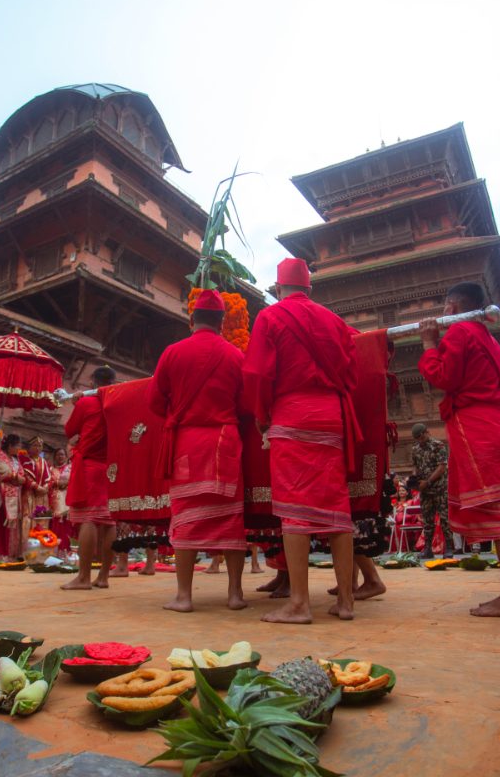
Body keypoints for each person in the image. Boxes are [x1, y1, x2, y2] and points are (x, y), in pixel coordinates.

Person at [242, 257, 359, 624]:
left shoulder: (271, 316)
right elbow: (352, 364)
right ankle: (346, 602)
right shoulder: (333, 320)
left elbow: (257, 372)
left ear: (279, 288)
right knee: (337, 508)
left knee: (293, 508)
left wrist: (261, 414)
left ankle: (299, 604)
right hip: (330, 417)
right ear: (309, 288)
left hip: (292, 413)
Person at [418, 282, 500, 617]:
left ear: (451, 307)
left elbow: (444, 377)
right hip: (496, 424)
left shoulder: (460, 331)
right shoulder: (490, 341)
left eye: (444, 306)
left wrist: (429, 343)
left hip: (475, 425)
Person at [147, 289, 248, 613]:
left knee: (186, 517)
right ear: (222, 322)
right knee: (231, 518)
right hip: (224, 442)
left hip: (187, 443)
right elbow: (246, 404)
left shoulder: (173, 353)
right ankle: (235, 594)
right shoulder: (235, 355)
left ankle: (184, 596)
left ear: (192, 320)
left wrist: (178, 413)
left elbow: (154, 402)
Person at [62, 366, 117, 590]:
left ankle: (84, 577)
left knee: (88, 518)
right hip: (111, 468)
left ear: (93, 382)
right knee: (109, 521)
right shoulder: (118, 404)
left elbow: (69, 430)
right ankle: (103, 577)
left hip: (90, 466)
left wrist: (77, 404)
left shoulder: (87, 402)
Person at [410, 423, 453, 558]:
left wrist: (428, 482)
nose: (420, 440)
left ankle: (449, 548)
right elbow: (416, 467)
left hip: (440, 489)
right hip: (425, 491)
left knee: (445, 519)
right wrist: (414, 480)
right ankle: (427, 549)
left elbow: (442, 467)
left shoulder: (438, 446)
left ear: (426, 432)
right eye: (417, 438)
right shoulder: (416, 449)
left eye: (421, 436)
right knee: (427, 520)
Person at [0, 434, 25, 562]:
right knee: (2, 523)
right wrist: (14, 477)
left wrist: (16, 478)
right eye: (17, 446)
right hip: (3, 494)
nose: (19, 448)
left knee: (13, 524)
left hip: (15, 494)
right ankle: (0, 553)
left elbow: (22, 476)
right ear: (10, 446)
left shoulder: (15, 459)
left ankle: (11, 553)